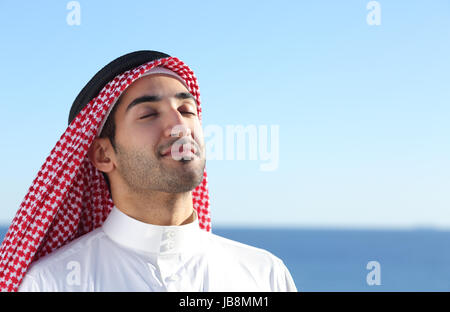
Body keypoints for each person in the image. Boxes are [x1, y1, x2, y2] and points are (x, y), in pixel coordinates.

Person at [0, 51, 297, 292]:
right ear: (103, 154)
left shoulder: (264, 275)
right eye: (149, 114)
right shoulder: (51, 283)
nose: (179, 125)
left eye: (187, 110)